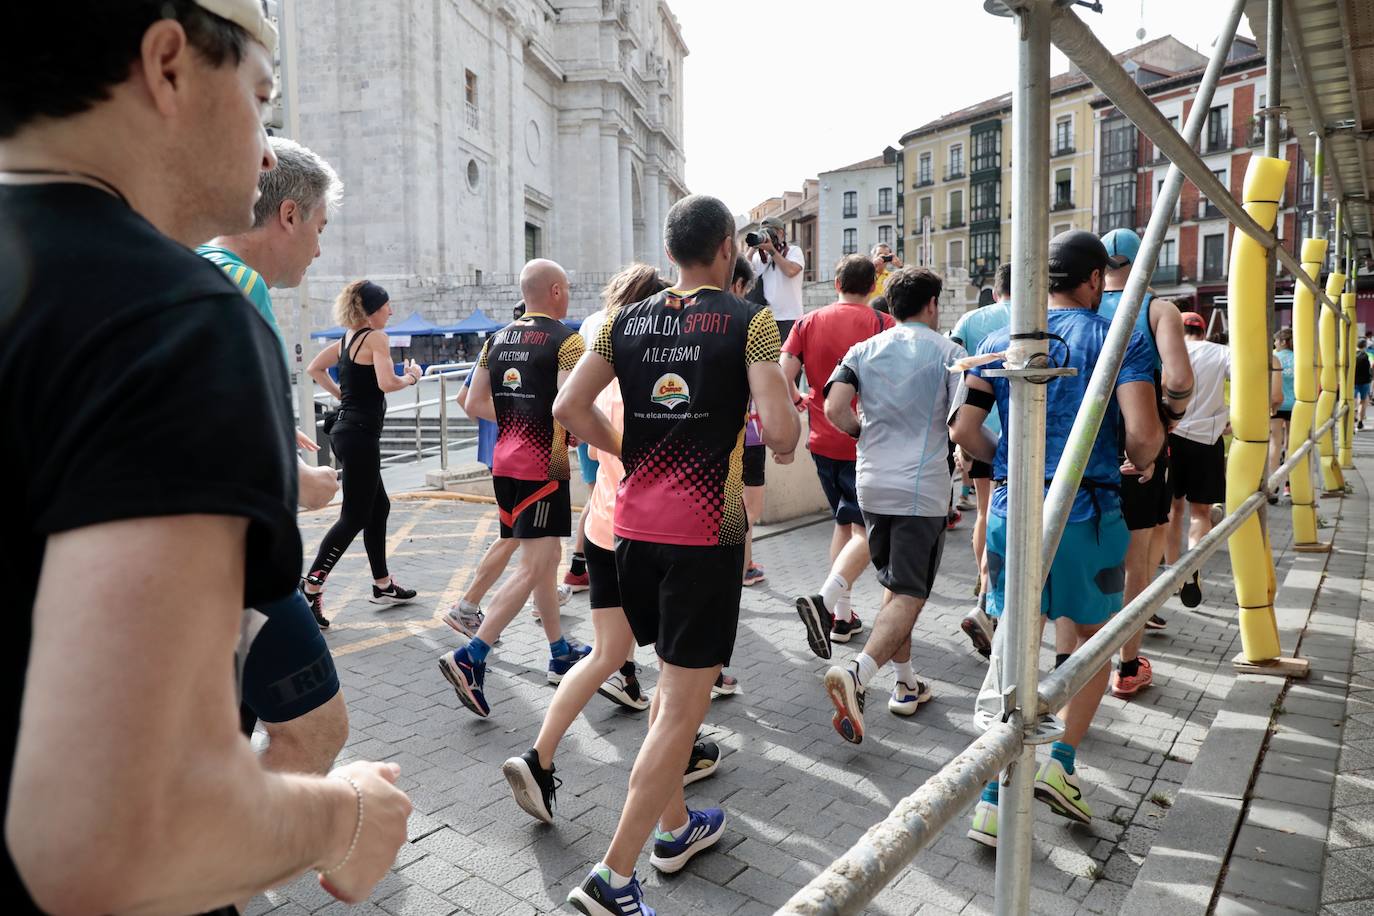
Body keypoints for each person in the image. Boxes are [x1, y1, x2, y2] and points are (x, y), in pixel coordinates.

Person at [0, 3, 410, 911]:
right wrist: (340, 817)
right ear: (168, 63)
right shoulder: (176, 320)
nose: (268, 152)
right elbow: (111, 834)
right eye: (262, 99)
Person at [554, 194, 799, 916]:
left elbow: (569, 408)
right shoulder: (749, 321)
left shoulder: (625, 321)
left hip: (630, 533)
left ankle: (676, 832)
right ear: (728, 248)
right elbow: (780, 435)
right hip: (703, 538)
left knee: (669, 691)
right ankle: (613, 876)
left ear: (670, 254)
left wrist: (632, 449)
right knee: (678, 715)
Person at [950, 230, 1163, 842]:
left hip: (1011, 510)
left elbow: (964, 429)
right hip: (1086, 513)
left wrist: (1016, 464)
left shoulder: (1000, 341)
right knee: (1097, 641)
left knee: (1015, 644)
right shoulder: (1120, 338)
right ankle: (1059, 765)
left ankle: (991, 797)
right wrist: (1143, 462)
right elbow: (1144, 435)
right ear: (1095, 279)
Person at [501, 264, 724, 825]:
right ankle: (672, 817)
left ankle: (539, 755)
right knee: (676, 675)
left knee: (605, 655)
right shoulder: (659, 371)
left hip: (603, 528)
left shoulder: (600, 362)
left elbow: (583, 431)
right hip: (655, 531)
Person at [200, 135, 351, 773]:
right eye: (318, 226)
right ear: (287, 215)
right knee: (318, 731)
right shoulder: (240, 283)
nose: (319, 247)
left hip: (197, 570)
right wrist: (300, 484)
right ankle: (225, 861)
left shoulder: (197, 266)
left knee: (219, 745)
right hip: (232, 564)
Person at [815, 268, 966, 743]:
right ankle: (859, 674)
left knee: (895, 586)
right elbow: (961, 427)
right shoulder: (950, 353)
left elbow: (836, 408)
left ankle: (905, 683)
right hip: (921, 489)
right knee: (910, 592)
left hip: (873, 484)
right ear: (933, 304)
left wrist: (865, 435)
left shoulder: (862, 350)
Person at [439, 259, 590, 716]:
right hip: (543, 464)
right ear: (557, 291)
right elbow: (569, 405)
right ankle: (472, 656)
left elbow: (471, 402)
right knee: (538, 563)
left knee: (540, 561)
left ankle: (559, 650)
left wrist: (517, 419)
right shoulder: (567, 339)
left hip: (504, 463)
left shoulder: (496, 339)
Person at [1096, 229, 1195, 699]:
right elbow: (1178, 380)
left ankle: (1072, 662)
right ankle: (1126, 664)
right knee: (1137, 562)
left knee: (1085, 553)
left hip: (1082, 454)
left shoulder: (1080, 306)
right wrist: (1167, 423)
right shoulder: (1159, 309)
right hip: (1140, 454)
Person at [786, 255, 895, 658]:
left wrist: (800, 398)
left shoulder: (807, 322)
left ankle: (842, 617)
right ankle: (828, 604)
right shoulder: (882, 324)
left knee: (844, 522)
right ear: (873, 287)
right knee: (866, 531)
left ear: (836, 282)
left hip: (820, 439)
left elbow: (784, 373)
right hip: (863, 440)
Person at [301, 282, 421, 619]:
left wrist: (344, 396)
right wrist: (411, 377)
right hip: (359, 436)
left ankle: (382, 585)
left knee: (378, 506)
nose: (391, 311)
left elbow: (314, 368)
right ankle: (311, 587)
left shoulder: (348, 338)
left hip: (346, 432)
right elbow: (387, 383)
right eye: (386, 306)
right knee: (354, 516)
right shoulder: (375, 338)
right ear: (371, 311)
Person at [947, 263, 1012, 657]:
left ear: (994, 291)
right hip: (1020, 436)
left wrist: (958, 438)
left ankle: (984, 586)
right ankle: (991, 601)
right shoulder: (1032, 318)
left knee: (986, 514)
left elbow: (956, 373)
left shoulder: (971, 320)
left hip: (978, 430)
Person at [1166, 311, 1232, 609]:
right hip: (1207, 440)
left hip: (1171, 436)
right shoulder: (1221, 353)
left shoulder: (1170, 351)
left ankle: (1173, 575)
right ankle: (1193, 564)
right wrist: (1229, 419)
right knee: (1201, 512)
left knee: (1171, 511)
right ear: (1203, 331)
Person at [747, 215, 805, 341]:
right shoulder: (759, 256)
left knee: (786, 359)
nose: (766, 235)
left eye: (769, 231)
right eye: (762, 231)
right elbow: (743, 271)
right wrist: (753, 246)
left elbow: (790, 271)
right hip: (765, 318)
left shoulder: (794, 251)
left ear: (780, 233)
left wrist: (772, 250)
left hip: (790, 317)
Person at [1270, 328, 1296, 497]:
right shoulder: (1298, 357)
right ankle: (1289, 484)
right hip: (1295, 406)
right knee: (1291, 445)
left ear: (1283, 342)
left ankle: (1272, 485)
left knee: (1274, 444)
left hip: (1276, 405)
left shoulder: (1274, 357)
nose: (1275, 343)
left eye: (1277, 341)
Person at [1355, 337, 1371, 430]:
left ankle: (1352, 422)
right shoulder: (1366, 355)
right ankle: (1360, 422)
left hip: (1352, 381)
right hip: (1364, 382)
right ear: (1364, 346)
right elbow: (1369, 368)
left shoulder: (1352, 354)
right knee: (1362, 401)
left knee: (1352, 401)